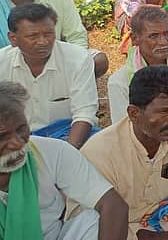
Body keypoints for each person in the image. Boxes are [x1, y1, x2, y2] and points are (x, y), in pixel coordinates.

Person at [81, 66, 168, 240]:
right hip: (124, 229)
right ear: (134, 113)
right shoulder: (100, 152)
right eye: (164, 111)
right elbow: (93, 224)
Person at [0, 81, 128, 240]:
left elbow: (113, 205)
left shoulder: (52, 151)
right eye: (2, 136)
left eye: (21, 129)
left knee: (93, 220)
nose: (18, 143)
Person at [0, 4, 97, 147]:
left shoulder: (78, 59)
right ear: (13, 38)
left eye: (48, 34)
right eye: (32, 36)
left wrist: (68, 152)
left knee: (98, 145)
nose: (43, 41)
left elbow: (84, 114)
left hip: (66, 133)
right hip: (15, 137)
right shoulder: (2, 62)